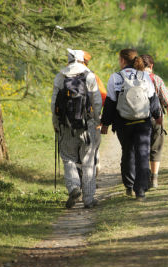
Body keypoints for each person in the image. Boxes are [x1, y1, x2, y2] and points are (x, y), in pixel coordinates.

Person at [100, 49, 162, 201]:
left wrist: (105, 123)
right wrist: (157, 116)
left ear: (122, 60)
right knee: (143, 153)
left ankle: (129, 184)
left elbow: (110, 102)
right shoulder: (144, 76)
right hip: (143, 121)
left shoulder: (115, 78)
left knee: (127, 151)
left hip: (123, 122)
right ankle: (140, 190)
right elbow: (152, 98)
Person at [51, 48, 102, 208]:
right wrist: (97, 120)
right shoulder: (89, 76)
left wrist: (56, 124)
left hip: (66, 126)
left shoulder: (60, 77)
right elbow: (97, 102)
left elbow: (54, 105)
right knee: (88, 162)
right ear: (82, 60)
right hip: (87, 126)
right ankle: (88, 199)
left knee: (68, 158)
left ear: (69, 60)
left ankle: (73, 187)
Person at [140, 54, 168, 188]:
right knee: (155, 148)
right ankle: (154, 178)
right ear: (151, 66)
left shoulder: (134, 78)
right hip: (156, 119)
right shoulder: (156, 79)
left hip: (138, 118)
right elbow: (167, 100)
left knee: (141, 147)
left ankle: (143, 175)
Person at [82, 51, 107, 176]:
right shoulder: (92, 76)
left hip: (70, 120)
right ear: (86, 62)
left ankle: (77, 179)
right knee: (93, 146)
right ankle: (93, 171)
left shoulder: (64, 76)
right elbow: (102, 97)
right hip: (91, 118)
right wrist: (99, 118)